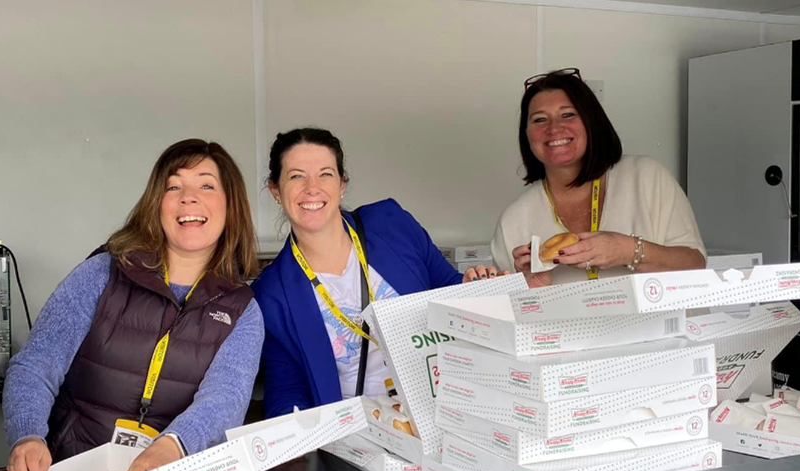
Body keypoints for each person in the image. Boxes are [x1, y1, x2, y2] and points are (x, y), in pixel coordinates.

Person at [3, 139, 263, 471]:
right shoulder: (102, 274)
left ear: (231, 206)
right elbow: (36, 363)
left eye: (206, 185)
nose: (189, 197)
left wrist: (173, 446)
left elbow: (225, 399)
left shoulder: (242, 310)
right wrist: (27, 435)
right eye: (173, 186)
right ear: (156, 204)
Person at [253, 127, 501, 417]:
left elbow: (447, 287)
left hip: (441, 406)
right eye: (296, 176)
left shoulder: (391, 225)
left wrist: (476, 287)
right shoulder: (271, 294)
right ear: (275, 190)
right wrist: (294, 433)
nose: (312, 187)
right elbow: (286, 387)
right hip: (358, 429)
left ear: (342, 184)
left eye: (325, 174)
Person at [492, 68, 706, 287]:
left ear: (591, 121)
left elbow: (696, 264)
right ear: (526, 134)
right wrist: (531, 290)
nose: (554, 128)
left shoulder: (647, 178)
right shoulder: (513, 221)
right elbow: (509, 307)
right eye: (539, 120)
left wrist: (627, 250)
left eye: (568, 114)